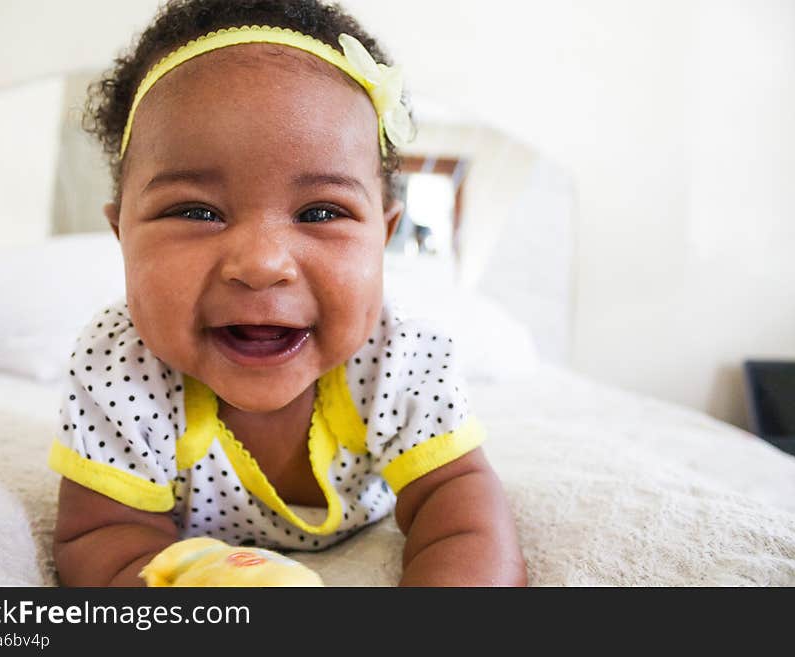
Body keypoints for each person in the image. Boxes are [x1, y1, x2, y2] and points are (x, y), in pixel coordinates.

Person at [50, 0, 526, 587]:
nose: (261, 265)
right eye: (196, 211)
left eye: (321, 211)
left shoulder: (402, 358)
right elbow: (100, 537)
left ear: (384, 235)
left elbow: (460, 514)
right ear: (123, 234)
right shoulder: (119, 366)